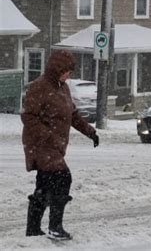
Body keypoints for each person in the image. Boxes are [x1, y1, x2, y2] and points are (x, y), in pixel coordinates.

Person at [21, 49, 99, 240]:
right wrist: (47, 135)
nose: (68, 75)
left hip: (55, 146)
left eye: (70, 72)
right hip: (41, 145)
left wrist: (90, 132)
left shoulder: (62, 87)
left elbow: (72, 115)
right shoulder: (40, 86)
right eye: (66, 71)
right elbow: (28, 116)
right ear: (56, 69)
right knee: (63, 178)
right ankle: (55, 227)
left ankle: (33, 229)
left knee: (45, 185)